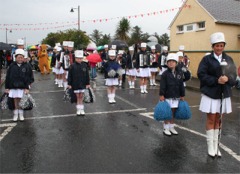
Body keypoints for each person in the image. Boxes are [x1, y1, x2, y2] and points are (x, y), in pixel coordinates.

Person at [197, 32, 237, 157]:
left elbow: (234, 75)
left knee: (219, 120)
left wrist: (228, 79)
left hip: (223, 93)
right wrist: (216, 80)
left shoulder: (229, 59)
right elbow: (201, 75)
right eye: (216, 45)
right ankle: (210, 146)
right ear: (212, 46)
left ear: (224, 45)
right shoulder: (206, 59)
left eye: (221, 45)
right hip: (211, 93)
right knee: (211, 119)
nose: (219, 48)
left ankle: (216, 145)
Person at [159, 53, 185, 136]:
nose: (171, 63)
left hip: (176, 96)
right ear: (167, 63)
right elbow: (162, 86)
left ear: (176, 63)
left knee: (173, 112)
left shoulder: (179, 73)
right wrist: (161, 95)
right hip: (167, 96)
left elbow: (181, 84)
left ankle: (171, 127)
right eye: (169, 61)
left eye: (173, 61)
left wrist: (182, 95)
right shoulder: (164, 74)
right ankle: (166, 127)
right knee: (167, 112)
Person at [5, 49, 34, 121]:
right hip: (13, 87)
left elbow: (30, 77)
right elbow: (8, 77)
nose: (20, 59)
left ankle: (21, 114)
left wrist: (27, 87)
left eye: (21, 57)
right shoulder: (12, 66)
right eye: (18, 57)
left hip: (23, 87)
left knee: (21, 100)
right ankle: (15, 114)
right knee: (15, 100)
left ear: (23, 57)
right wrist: (7, 87)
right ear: (15, 57)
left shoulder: (27, 66)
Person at [68, 50, 90, 116]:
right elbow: (70, 75)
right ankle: (78, 109)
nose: (79, 60)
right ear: (75, 58)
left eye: (80, 58)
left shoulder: (84, 65)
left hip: (82, 83)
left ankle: (82, 109)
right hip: (75, 83)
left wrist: (88, 83)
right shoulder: (72, 66)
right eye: (78, 58)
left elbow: (87, 75)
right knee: (77, 96)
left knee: (81, 96)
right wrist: (69, 84)